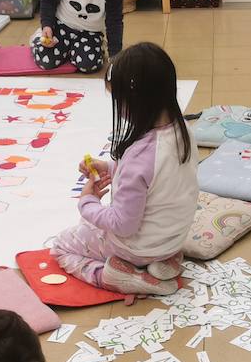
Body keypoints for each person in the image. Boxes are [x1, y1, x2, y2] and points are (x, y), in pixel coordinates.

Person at [53, 42, 198, 296]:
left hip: (137, 247)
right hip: (173, 237)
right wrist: (112, 166)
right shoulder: (183, 130)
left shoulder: (140, 156)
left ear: (136, 101)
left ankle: (115, 275)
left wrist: (87, 202)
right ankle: (164, 261)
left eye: (119, 101)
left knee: (62, 245)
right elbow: (157, 179)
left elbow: (123, 225)